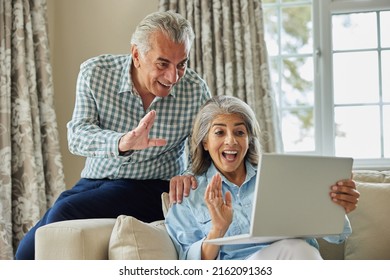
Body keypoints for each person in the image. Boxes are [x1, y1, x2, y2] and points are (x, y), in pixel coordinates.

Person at [15, 11, 211, 260]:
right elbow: (77, 135)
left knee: (63, 212)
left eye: (181, 64)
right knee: (28, 247)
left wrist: (188, 175)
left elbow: (208, 148)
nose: (173, 76)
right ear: (137, 55)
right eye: (163, 64)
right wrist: (121, 143)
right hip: (94, 182)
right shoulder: (95, 73)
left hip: (151, 185)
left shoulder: (195, 90)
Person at [165, 95, 360, 260]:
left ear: (249, 140)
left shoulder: (282, 177)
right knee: (295, 249)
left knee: (296, 248)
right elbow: (190, 264)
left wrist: (336, 208)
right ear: (205, 142)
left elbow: (336, 237)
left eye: (240, 132)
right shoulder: (188, 193)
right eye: (219, 132)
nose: (231, 140)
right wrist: (217, 229)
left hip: (297, 261)